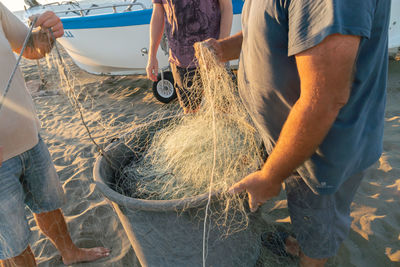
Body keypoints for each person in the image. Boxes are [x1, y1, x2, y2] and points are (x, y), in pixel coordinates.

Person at [204, 0, 390, 266]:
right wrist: (224, 49)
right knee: (306, 214)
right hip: (291, 139)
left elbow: (324, 98)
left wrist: (271, 175)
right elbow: (270, 26)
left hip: (322, 150)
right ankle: (300, 244)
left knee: (319, 222)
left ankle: (311, 256)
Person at [0, 3, 110, 266]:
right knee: (11, 240)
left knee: (48, 204)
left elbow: (29, 48)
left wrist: (46, 34)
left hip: (30, 138)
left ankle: (69, 252)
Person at [146, 0, 233, 113]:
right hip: (181, 59)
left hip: (213, 55)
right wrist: (152, 56)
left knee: (224, 109)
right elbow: (157, 13)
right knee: (191, 110)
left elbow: (226, 6)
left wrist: (220, 47)